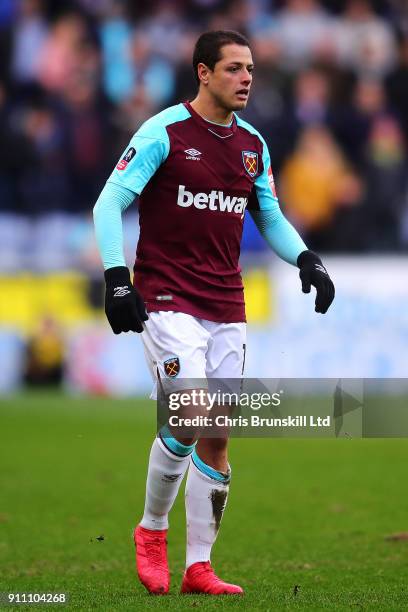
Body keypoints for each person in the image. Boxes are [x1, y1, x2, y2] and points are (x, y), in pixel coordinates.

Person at [93, 30, 335, 596]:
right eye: (233, 68)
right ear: (203, 73)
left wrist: (307, 259)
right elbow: (110, 202)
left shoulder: (252, 145)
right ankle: (152, 531)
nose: (247, 77)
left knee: (218, 435)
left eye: (250, 68)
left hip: (226, 300)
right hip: (168, 297)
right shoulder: (164, 132)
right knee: (190, 414)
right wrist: (115, 276)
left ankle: (199, 566)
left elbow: (269, 216)